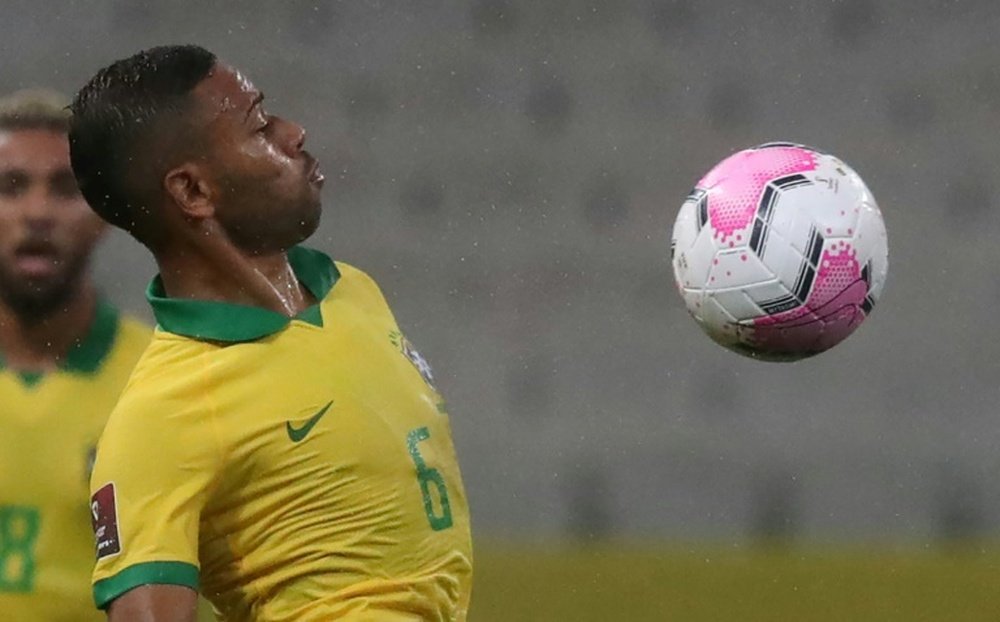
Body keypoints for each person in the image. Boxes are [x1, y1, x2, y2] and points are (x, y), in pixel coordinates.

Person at [69, 45, 473, 621]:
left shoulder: (351, 291)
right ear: (193, 193)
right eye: (259, 125)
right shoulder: (164, 415)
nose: (293, 132)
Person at [0, 89, 150, 621]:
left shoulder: (162, 384)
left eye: (64, 189)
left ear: (104, 209)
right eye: (11, 187)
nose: (37, 212)